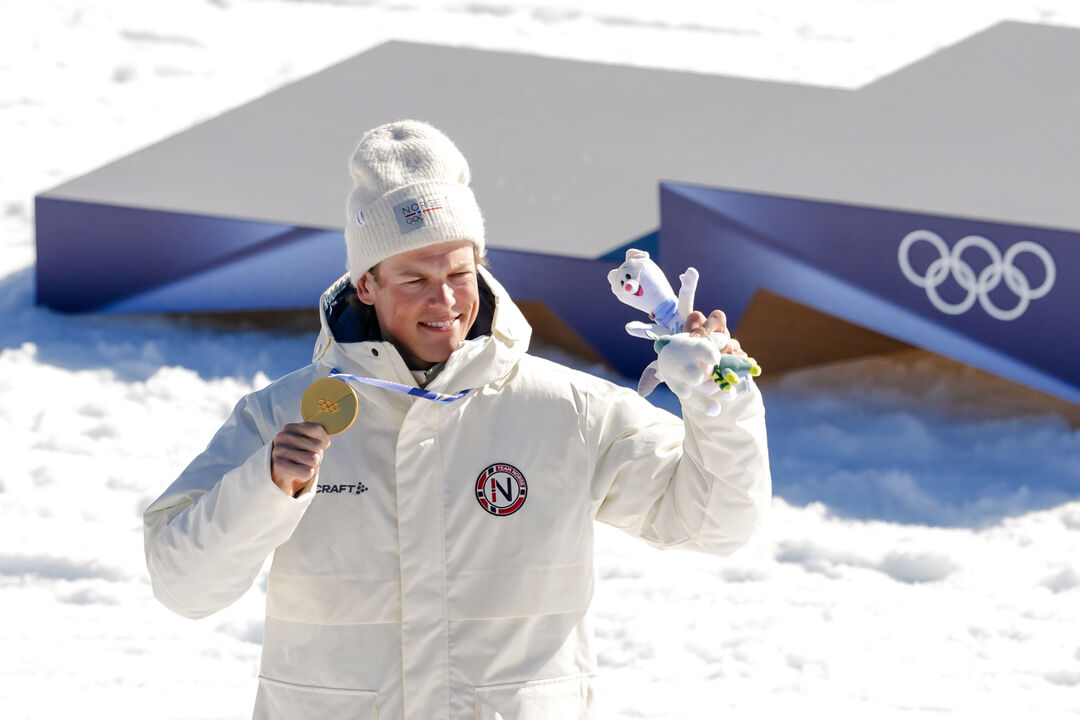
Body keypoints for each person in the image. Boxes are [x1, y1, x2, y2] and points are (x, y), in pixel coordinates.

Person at [144, 119, 771, 720]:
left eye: (458, 274)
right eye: (414, 278)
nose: (443, 301)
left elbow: (715, 524)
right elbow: (182, 586)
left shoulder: (567, 411)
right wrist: (266, 489)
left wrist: (721, 394)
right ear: (366, 283)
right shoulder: (279, 418)